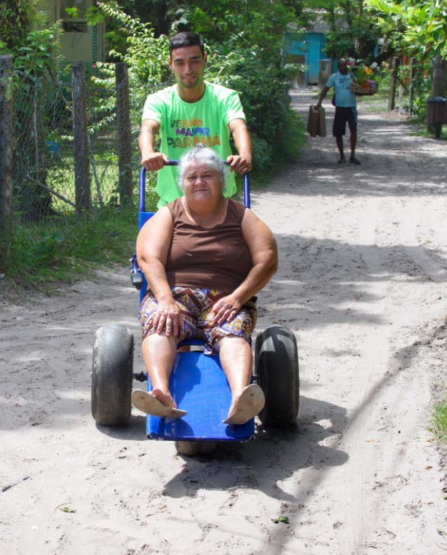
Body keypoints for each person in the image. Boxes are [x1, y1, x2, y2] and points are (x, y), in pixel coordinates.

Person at [132, 146, 278, 425]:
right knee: (160, 322)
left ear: (222, 181)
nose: (199, 182)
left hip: (227, 300)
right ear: (182, 184)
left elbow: (267, 260)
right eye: (192, 177)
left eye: (207, 175)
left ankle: (239, 399)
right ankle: (160, 392)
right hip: (174, 297)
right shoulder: (169, 214)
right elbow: (147, 257)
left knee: (233, 331)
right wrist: (164, 299)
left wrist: (238, 298)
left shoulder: (241, 216)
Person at [139, 31, 252, 207]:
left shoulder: (225, 97)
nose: (188, 70)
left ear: (205, 59)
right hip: (172, 204)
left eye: (194, 61)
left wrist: (244, 156)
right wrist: (148, 153)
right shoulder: (159, 100)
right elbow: (148, 128)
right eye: (180, 63)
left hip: (220, 202)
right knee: (151, 235)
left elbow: (238, 126)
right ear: (170, 64)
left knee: (256, 234)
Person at [316, 58, 361, 165]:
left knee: (353, 130)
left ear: (347, 66)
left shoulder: (353, 76)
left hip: (351, 108)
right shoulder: (334, 77)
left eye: (344, 66)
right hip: (340, 108)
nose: (342, 68)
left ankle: (352, 156)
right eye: (340, 66)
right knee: (338, 133)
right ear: (338, 67)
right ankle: (342, 156)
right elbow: (325, 90)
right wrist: (319, 102)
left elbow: (359, 90)